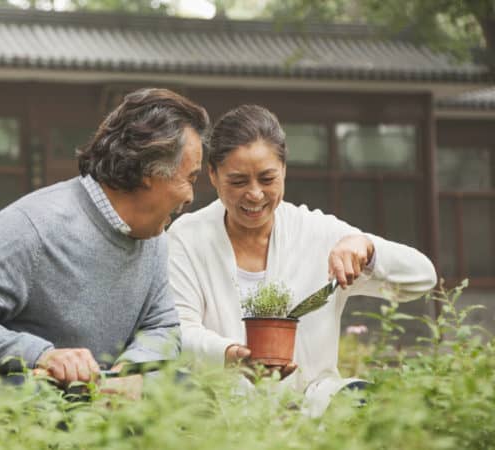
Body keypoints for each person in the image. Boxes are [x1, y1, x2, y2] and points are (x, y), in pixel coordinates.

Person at [0, 88, 209, 419]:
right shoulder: (33, 225)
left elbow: (162, 325)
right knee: (46, 399)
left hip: (83, 395)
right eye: (190, 179)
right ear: (150, 172)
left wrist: (131, 372)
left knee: (189, 392)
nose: (191, 196)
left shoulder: (153, 237)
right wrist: (43, 356)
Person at [167, 104, 436, 417]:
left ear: (283, 170)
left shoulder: (318, 234)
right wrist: (231, 355)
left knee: (368, 402)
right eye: (238, 181)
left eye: (267, 179)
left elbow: (423, 277)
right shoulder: (188, 237)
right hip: (222, 404)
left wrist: (367, 248)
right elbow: (177, 331)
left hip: (313, 402)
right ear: (213, 175)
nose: (254, 194)